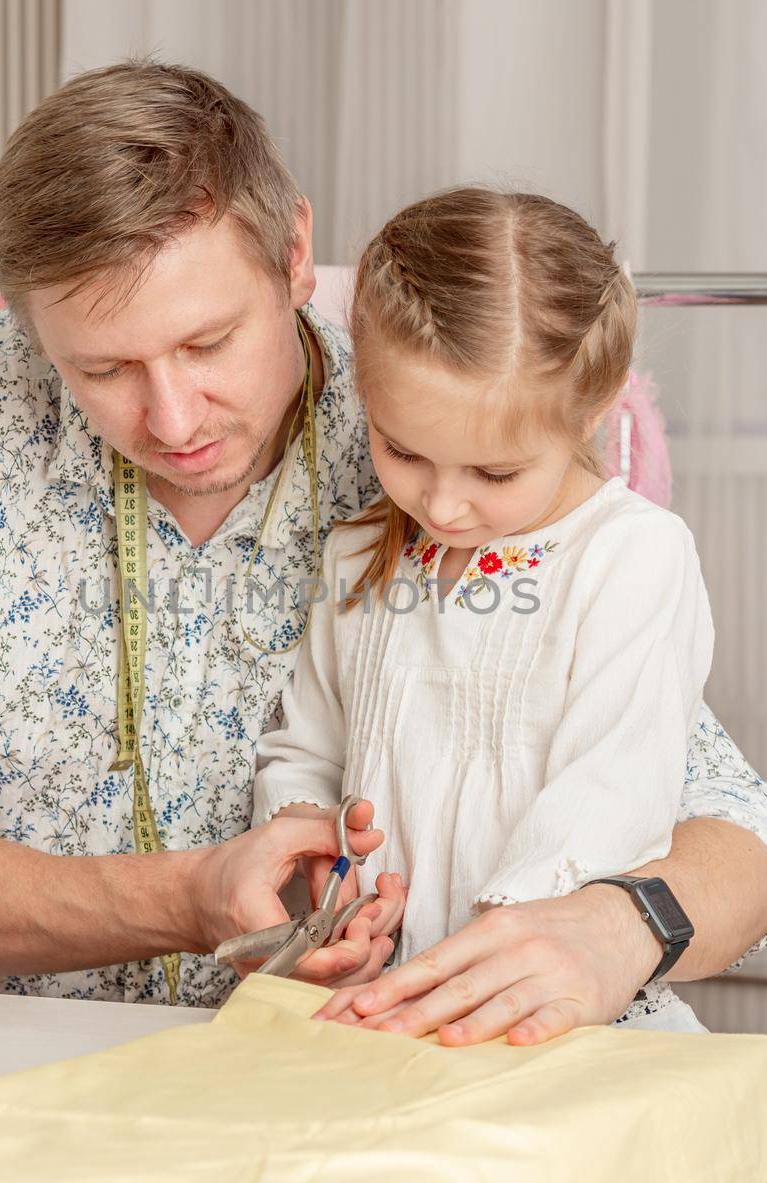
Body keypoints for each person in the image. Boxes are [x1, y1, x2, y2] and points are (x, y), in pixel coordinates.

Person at [0, 59, 767, 1043]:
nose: (171, 416)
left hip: (342, 1064)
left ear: (295, 255)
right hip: (23, 1056)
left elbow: (750, 836)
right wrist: (188, 897)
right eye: (102, 367)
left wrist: (611, 927)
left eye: (208, 344)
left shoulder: (420, 441)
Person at [254, 187, 713, 1037]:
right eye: (403, 450)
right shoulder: (358, 558)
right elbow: (304, 748)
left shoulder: (632, 556)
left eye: (495, 473)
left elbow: (616, 789)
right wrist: (317, 865)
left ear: (595, 403)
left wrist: (485, 953)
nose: (445, 504)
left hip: (553, 1010)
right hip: (385, 1006)